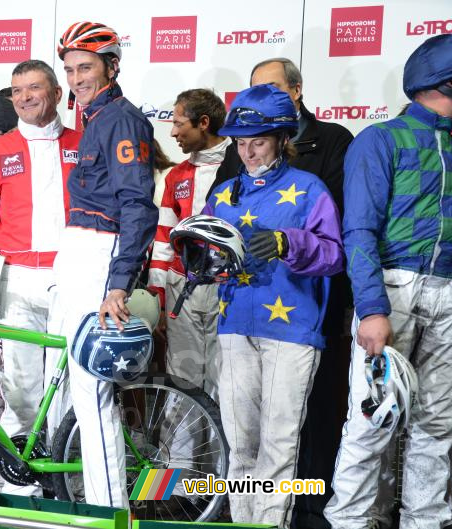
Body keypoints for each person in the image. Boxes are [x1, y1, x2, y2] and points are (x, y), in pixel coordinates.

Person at [324, 33, 452, 529]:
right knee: (370, 422)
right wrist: (374, 309)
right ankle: (349, 522)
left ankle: (427, 521)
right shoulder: (379, 139)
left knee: (439, 426)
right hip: (393, 289)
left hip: (451, 291)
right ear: (449, 82)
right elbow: (358, 230)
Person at [203, 83, 343, 527]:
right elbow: (202, 260)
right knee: (241, 443)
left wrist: (289, 242)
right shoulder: (223, 194)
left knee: (278, 444)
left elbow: (335, 255)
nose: (247, 152)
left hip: (293, 328)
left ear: (284, 138)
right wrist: (197, 262)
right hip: (234, 323)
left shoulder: (310, 188)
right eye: (241, 143)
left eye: (258, 141)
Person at [0, 59, 80, 496]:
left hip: (71, 278)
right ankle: (12, 497)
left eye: (35, 88)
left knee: (71, 392)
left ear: (57, 93)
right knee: (20, 391)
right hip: (17, 280)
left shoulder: (84, 144)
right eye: (18, 90)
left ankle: (68, 492)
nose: (26, 97)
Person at [245, 57, 355, 529]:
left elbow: (339, 224)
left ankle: (310, 510)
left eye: (270, 89)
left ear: (296, 89)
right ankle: (256, 515)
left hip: (315, 304)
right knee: (254, 430)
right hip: (249, 307)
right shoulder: (245, 143)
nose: (259, 102)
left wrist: (287, 238)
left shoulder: (333, 141)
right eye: (253, 91)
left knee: (313, 416)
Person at [50, 21, 157, 508]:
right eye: (70, 69)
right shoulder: (95, 118)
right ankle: (78, 501)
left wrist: (118, 284)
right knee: (72, 386)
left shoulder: (122, 121)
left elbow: (138, 205)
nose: (76, 78)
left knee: (93, 392)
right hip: (76, 253)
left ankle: (110, 511)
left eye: (86, 67)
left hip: (100, 255)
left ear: (112, 66)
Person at [148, 89, 230, 399]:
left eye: (179, 123)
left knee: (226, 384)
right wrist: (157, 296)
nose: (172, 132)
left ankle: (225, 450)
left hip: (228, 287)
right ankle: (181, 451)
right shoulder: (175, 176)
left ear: (204, 123)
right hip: (182, 288)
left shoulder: (238, 167)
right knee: (182, 381)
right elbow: (163, 241)